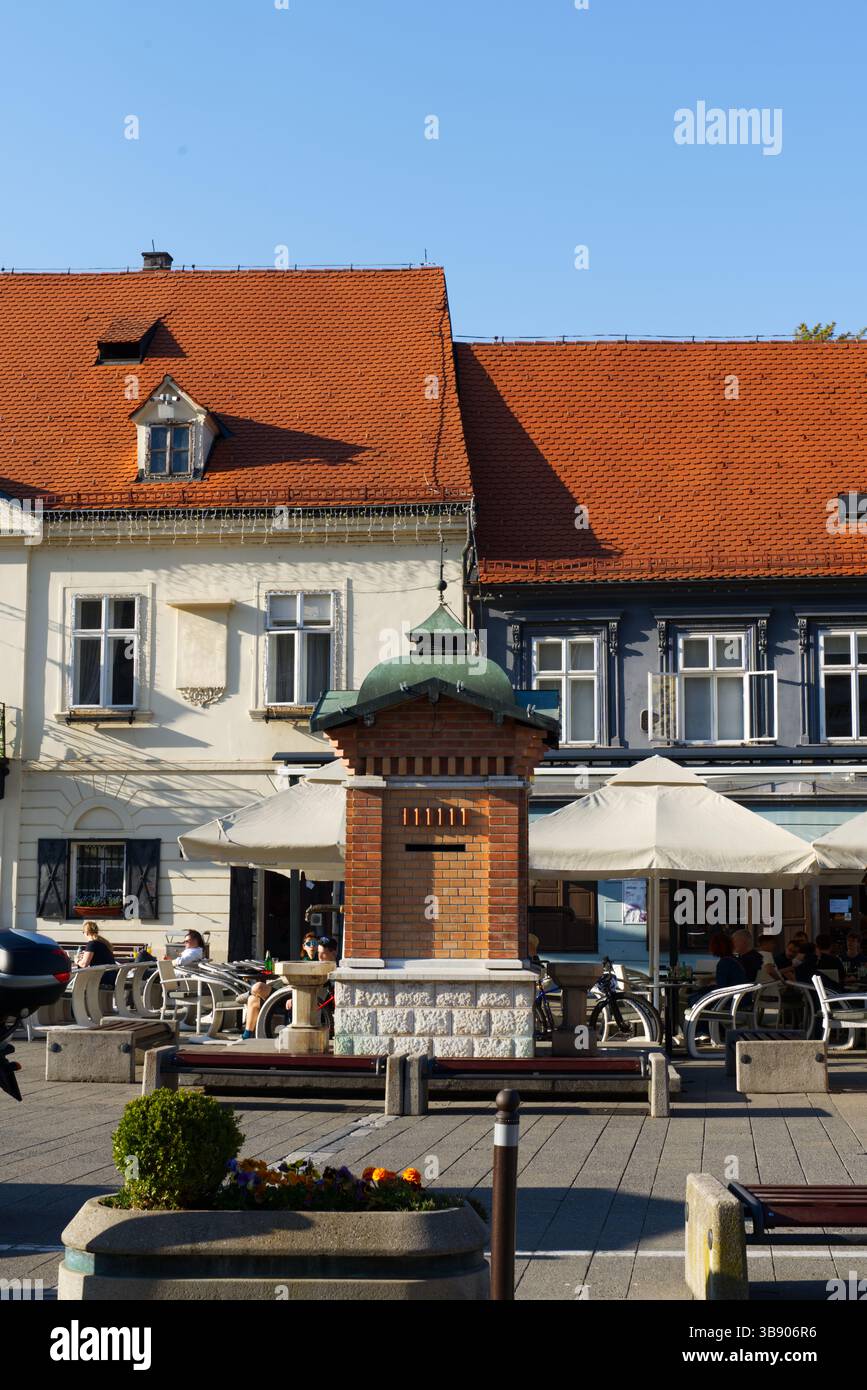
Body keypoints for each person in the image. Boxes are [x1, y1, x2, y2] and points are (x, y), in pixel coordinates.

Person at [75, 920, 118, 989]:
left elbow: (84, 964)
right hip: (111, 977)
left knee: (76, 984)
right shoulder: (103, 943)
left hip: (102, 978)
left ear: (86, 932)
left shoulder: (92, 944)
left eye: (83, 932)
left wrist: (76, 960)